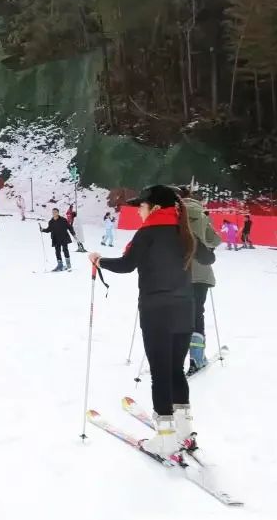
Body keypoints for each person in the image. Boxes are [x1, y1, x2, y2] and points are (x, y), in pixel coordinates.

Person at [89, 185, 197, 459]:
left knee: (160, 373)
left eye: (142, 205)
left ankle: (165, 439)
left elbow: (127, 264)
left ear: (155, 208)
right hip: (185, 310)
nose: (139, 209)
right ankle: (184, 430)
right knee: (175, 370)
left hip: (157, 312)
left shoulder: (148, 232)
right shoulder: (183, 231)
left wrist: (100, 261)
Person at [178, 188, 221, 375]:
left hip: (177, 272)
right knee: (197, 315)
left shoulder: (172, 213)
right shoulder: (202, 215)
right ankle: (196, 357)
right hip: (201, 272)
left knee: (178, 314)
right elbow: (215, 240)